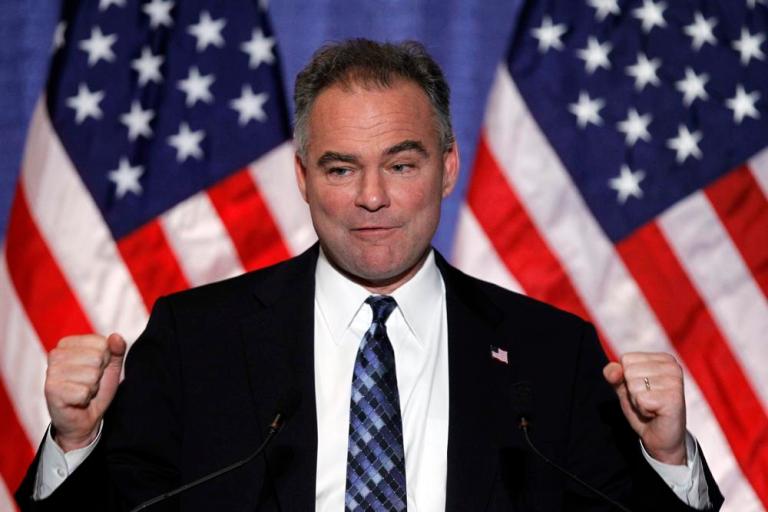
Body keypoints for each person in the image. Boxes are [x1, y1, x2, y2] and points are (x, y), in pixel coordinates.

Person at [16, 39, 723, 511]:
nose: (373, 197)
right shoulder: (195, 339)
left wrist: (664, 459)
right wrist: (76, 441)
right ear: (302, 177)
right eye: (341, 168)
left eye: (402, 164)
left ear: (446, 170)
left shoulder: (552, 353)